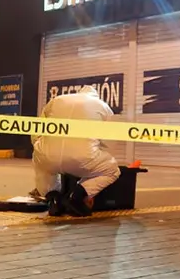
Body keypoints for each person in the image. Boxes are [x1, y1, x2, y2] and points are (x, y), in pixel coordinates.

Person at [31, 86, 121, 217]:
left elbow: (36, 130)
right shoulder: (103, 107)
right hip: (83, 158)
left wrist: (40, 146)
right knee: (112, 170)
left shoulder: (56, 100)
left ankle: (53, 199)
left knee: (40, 159)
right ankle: (77, 196)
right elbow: (110, 142)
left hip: (49, 157)